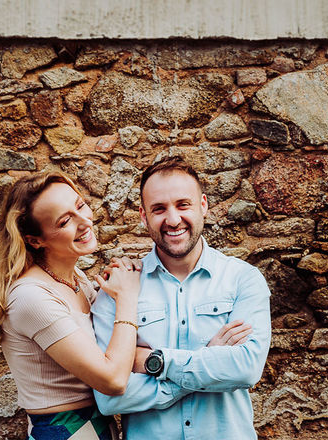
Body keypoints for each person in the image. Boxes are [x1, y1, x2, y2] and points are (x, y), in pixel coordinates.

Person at [90, 158, 272, 439]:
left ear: (203, 206)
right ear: (143, 215)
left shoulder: (242, 280)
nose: (173, 220)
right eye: (159, 209)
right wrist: (208, 360)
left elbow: (246, 370)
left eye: (183, 204)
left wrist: (156, 362)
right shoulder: (118, 290)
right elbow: (110, 399)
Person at [0, 170, 142, 440]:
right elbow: (112, 380)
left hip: (99, 425)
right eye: (65, 221)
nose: (84, 222)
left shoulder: (76, 279)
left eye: (80, 206)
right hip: (65, 430)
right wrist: (126, 298)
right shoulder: (31, 296)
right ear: (35, 240)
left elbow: (116, 351)